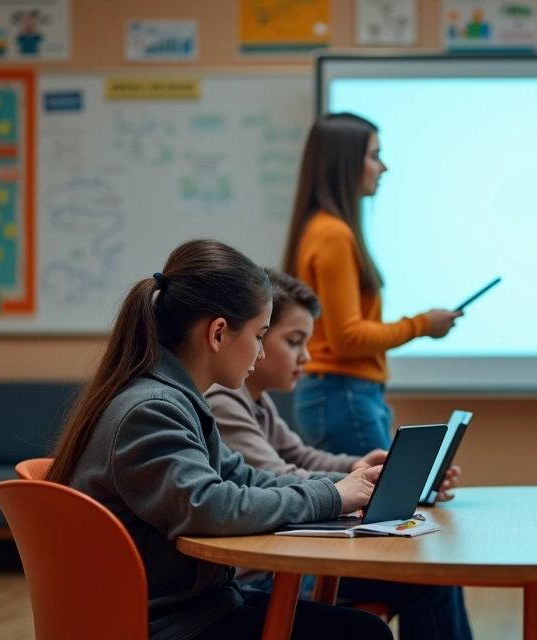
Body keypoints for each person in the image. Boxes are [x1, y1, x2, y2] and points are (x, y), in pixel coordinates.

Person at [44, 239, 392, 640]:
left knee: (363, 628)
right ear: (218, 333)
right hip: (170, 623)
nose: (260, 354)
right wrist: (331, 496)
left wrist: (346, 486)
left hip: (196, 606)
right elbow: (209, 508)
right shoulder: (151, 408)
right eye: (260, 335)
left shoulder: (172, 398)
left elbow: (244, 478)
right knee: (364, 635)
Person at [206, 268, 473, 640]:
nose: (307, 357)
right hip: (267, 574)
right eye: (293, 341)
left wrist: (361, 468)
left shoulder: (257, 402)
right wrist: (355, 484)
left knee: (429, 575)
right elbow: (277, 475)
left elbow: (303, 456)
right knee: (428, 579)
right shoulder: (222, 401)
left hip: (286, 561)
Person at [282, 113, 462, 456]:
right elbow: (348, 339)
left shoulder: (322, 228)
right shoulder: (333, 233)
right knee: (387, 504)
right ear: (346, 163)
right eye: (373, 156)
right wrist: (422, 325)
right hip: (343, 393)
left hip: (343, 394)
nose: (383, 168)